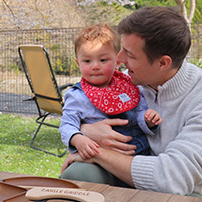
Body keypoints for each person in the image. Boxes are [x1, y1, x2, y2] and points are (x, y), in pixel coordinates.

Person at [61, 7, 202, 201]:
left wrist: (97, 153)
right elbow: (76, 114)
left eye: (130, 55)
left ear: (163, 63)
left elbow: (172, 179)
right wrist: (85, 131)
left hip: (191, 195)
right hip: (125, 180)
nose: (119, 59)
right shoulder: (127, 83)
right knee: (79, 173)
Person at [60, 23, 161, 158]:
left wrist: (148, 120)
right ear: (78, 63)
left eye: (103, 60)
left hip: (138, 154)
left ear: (117, 62)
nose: (95, 66)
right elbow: (67, 124)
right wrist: (77, 139)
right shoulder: (77, 95)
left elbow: (139, 113)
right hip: (102, 157)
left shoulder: (129, 85)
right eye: (87, 61)